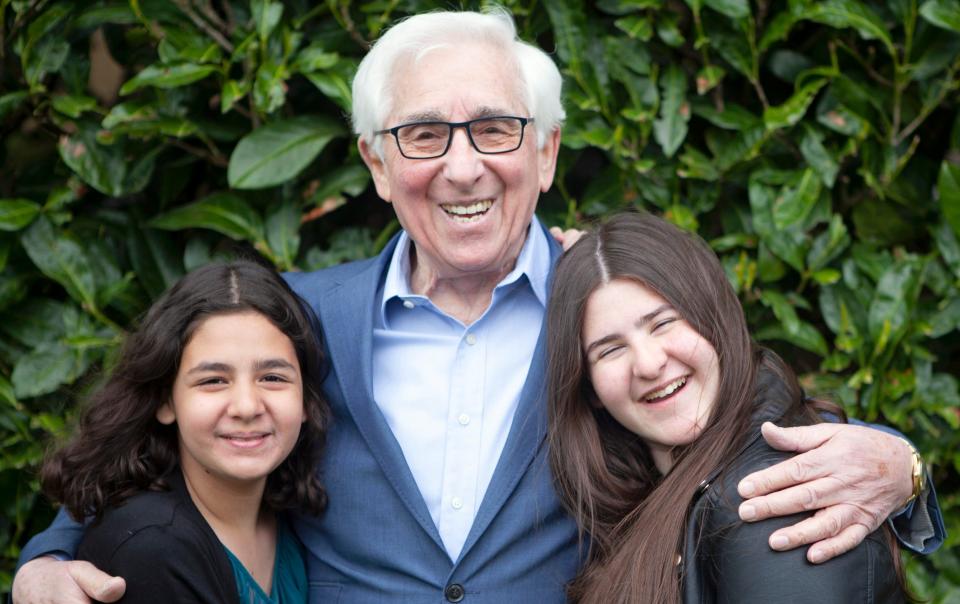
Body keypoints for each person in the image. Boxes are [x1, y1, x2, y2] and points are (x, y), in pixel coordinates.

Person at [13, 9, 942, 604]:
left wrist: (899, 463)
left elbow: (735, 406)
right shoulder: (298, 323)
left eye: (495, 129)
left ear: (545, 152)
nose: (463, 166)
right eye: (423, 134)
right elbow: (152, 443)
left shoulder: (612, 314)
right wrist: (46, 562)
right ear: (377, 164)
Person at [547, 212, 905, 602]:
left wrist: (907, 466)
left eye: (663, 323)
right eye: (611, 349)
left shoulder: (774, 498)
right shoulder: (652, 486)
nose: (649, 364)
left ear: (712, 318)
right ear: (590, 388)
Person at [38, 261, 329, 603]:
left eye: (273, 378)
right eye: (213, 381)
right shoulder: (154, 549)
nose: (247, 406)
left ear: (306, 399)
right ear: (165, 400)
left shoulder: (286, 517)